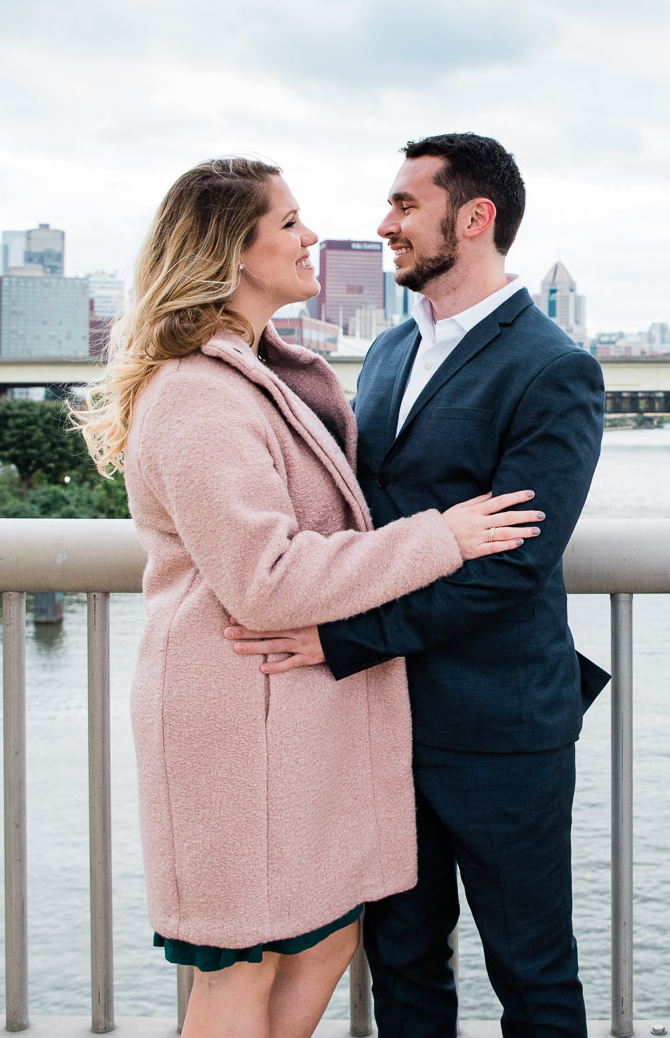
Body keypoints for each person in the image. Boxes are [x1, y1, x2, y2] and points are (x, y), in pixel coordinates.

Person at [76, 156, 546, 1038]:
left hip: (293, 722)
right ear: (232, 251)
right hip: (233, 718)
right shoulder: (197, 397)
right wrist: (439, 536)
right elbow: (268, 577)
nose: (313, 237)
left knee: (323, 941)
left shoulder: (270, 372)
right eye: (289, 222)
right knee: (238, 970)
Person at [227, 135, 608, 1038]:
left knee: (532, 970)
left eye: (404, 205)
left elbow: (513, 565)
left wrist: (343, 640)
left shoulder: (555, 368)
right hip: (384, 720)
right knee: (402, 965)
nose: (382, 223)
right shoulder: (390, 350)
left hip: (500, 725)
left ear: (473, 219)